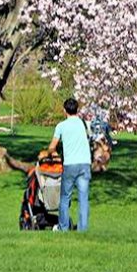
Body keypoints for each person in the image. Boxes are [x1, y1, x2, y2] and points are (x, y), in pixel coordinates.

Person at [47, 97, 92, 232]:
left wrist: (54, 154)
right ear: (77, 110)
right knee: (83, 198)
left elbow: (52, 147)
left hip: (70, 164)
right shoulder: (84, 124)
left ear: (64, 110)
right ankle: (83, 229)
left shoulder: (61, 126)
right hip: (85, 163)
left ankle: (63, 227)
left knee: (65, 197)